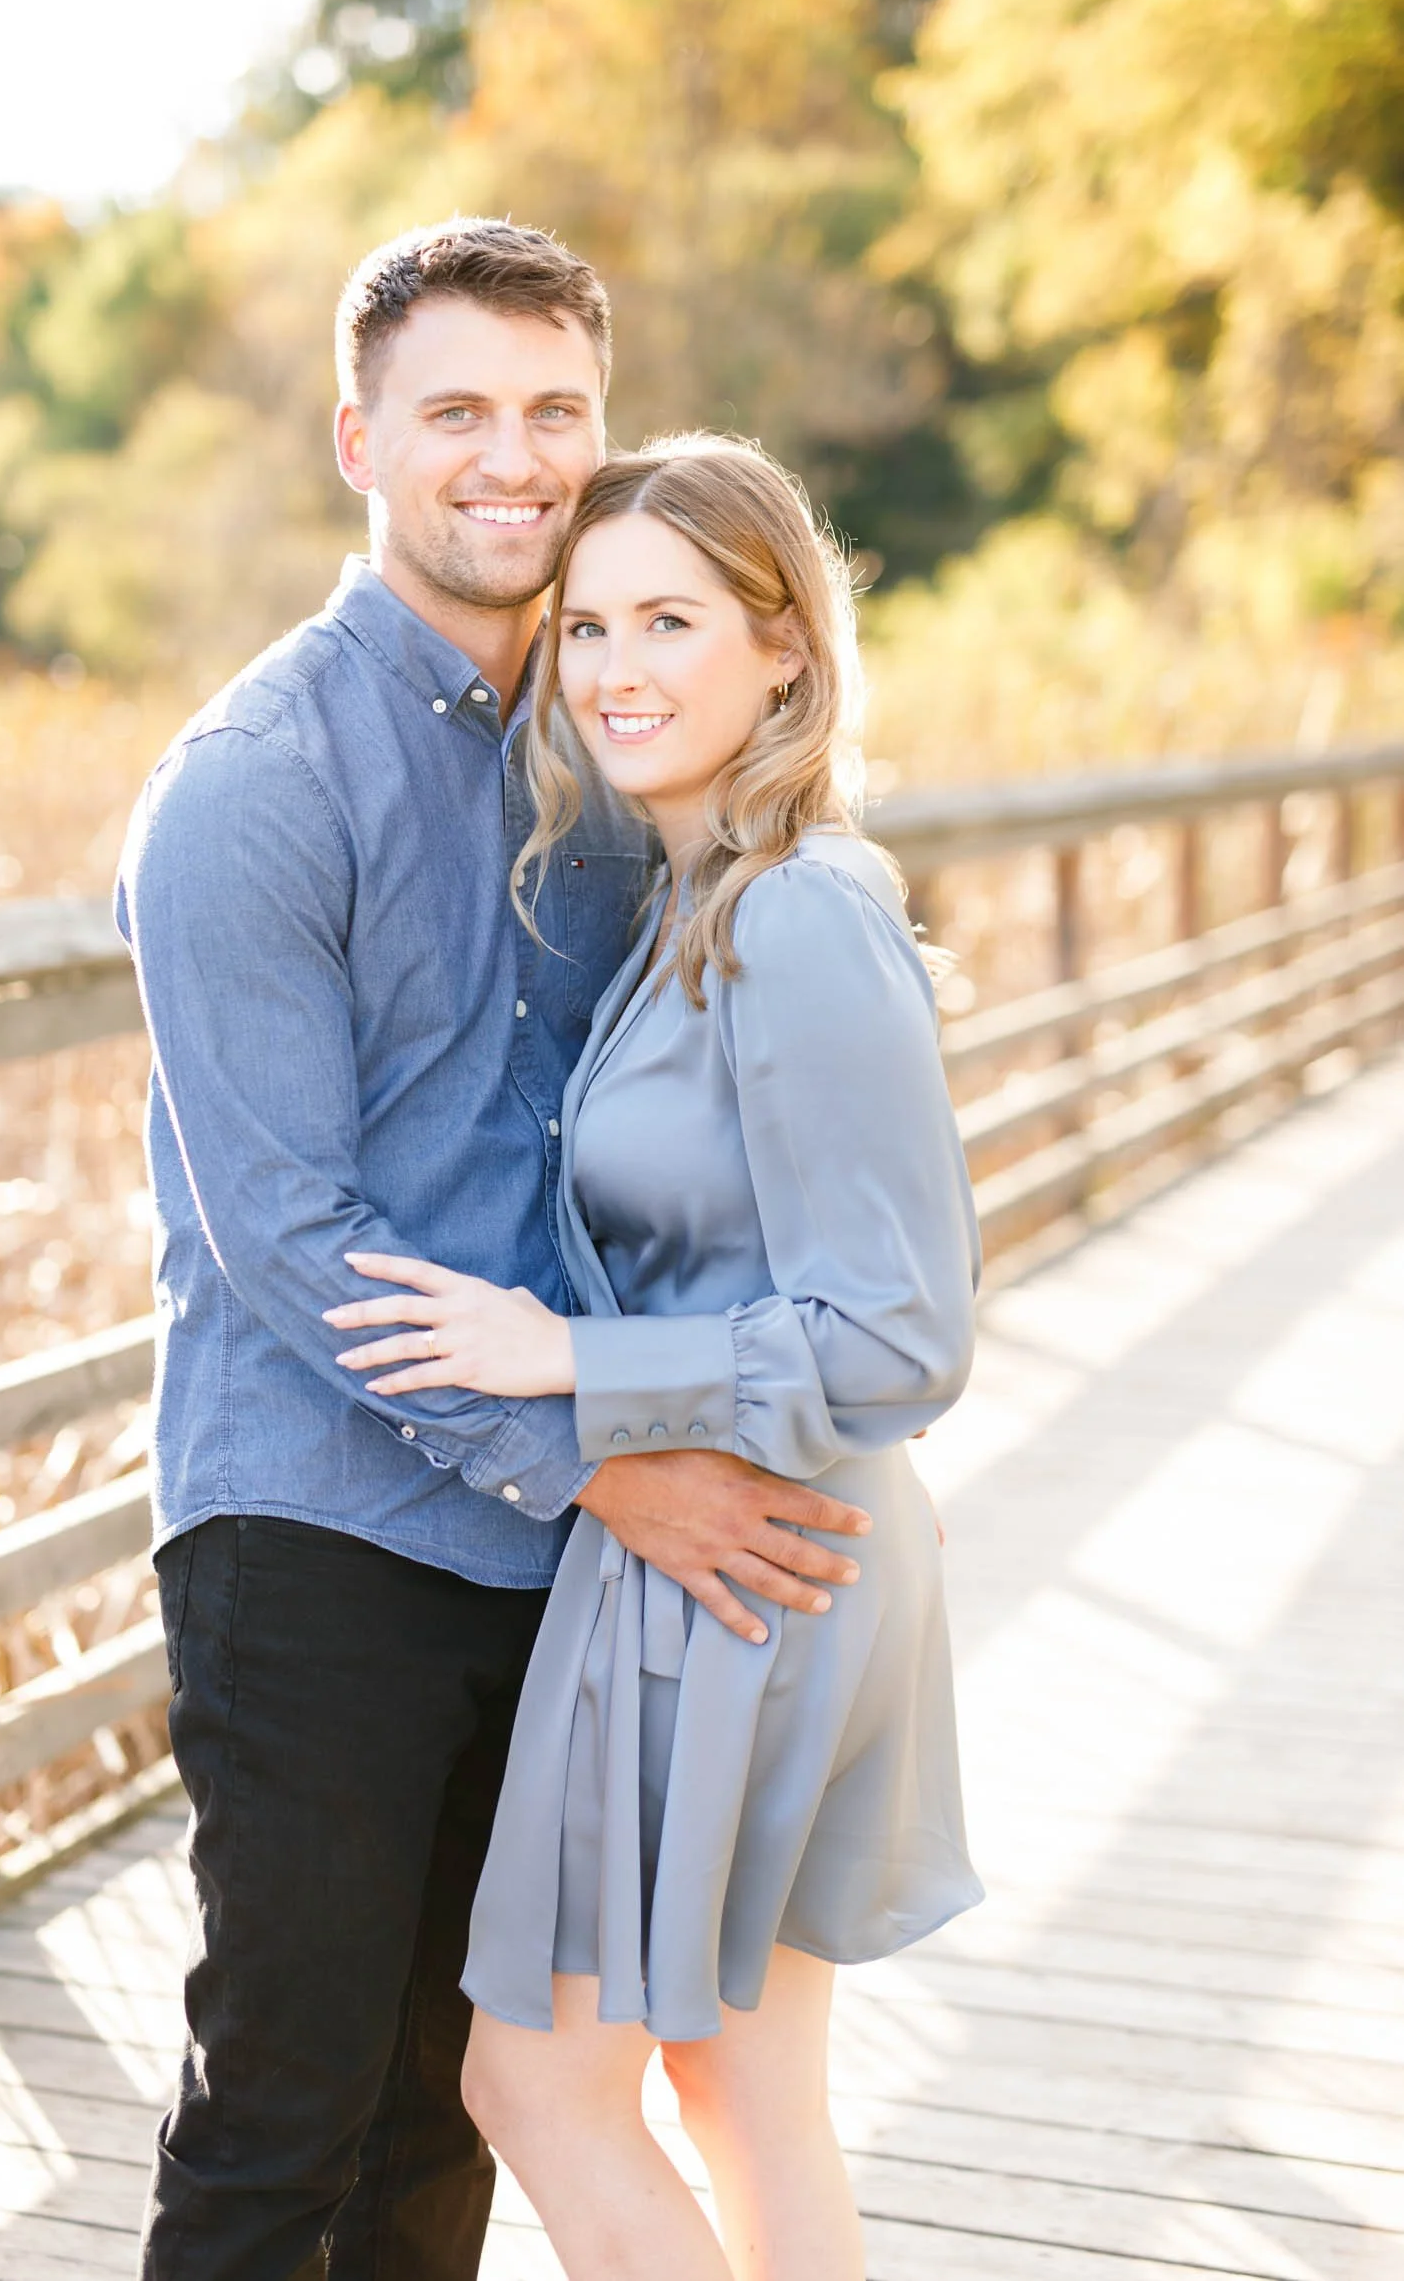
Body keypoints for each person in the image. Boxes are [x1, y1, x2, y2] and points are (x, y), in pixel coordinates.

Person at [115, 223, 874, 2281]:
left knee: (457, 2111)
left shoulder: (618, 723)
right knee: (289, 2091)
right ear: (360, 435)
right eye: (458, 408)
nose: (513, 456)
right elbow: (294, 1237)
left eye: (555, 410)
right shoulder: (254, 788)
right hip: (324, 1526)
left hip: (572, 1555)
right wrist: (605, 1456)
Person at [326, 434, 985, 2281]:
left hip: (753, 1561)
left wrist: (562, 1363)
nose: (615, 666)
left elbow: (901, 1333)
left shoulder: (794, 917)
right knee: (738, 2089)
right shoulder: (691, 903)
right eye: (590, 621)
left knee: (536, 2089)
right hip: (750, 1548)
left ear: (783, 647)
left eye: (671, 620)